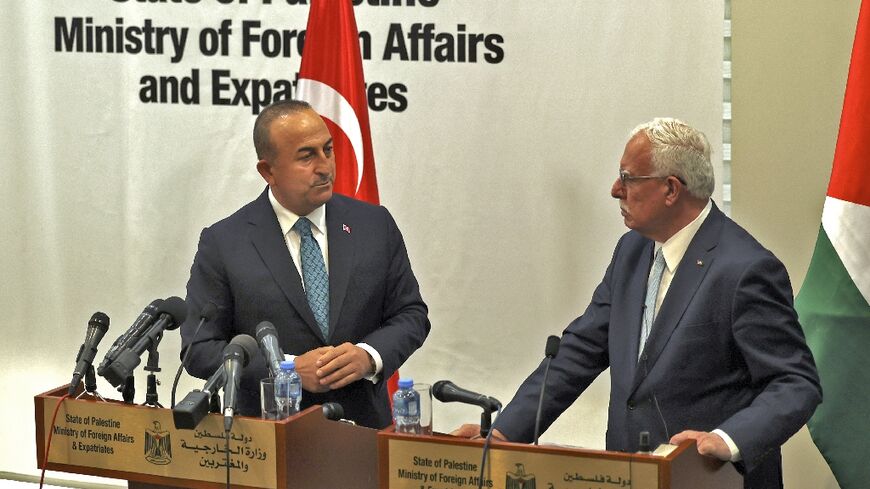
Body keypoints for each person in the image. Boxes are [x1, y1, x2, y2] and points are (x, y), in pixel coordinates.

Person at [454, 118, 821, 488]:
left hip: (712, 478)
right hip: (630, 475)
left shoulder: (745, 269)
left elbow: (796, 383)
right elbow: (578, 353)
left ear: (670, 190)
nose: (616, 190)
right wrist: (504, 434)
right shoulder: (632, 251)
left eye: (628, 178)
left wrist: (726, 440)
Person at [180, 99, 430, 429]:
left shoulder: (374, 225)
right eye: (307, 156)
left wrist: (369, 355)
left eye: (328, 149)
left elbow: (410, 314)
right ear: (268, 171)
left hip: (364, 432)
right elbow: (200, 349)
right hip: (267, 440)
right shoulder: (225, 242)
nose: (325, 166)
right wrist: (288, 370)